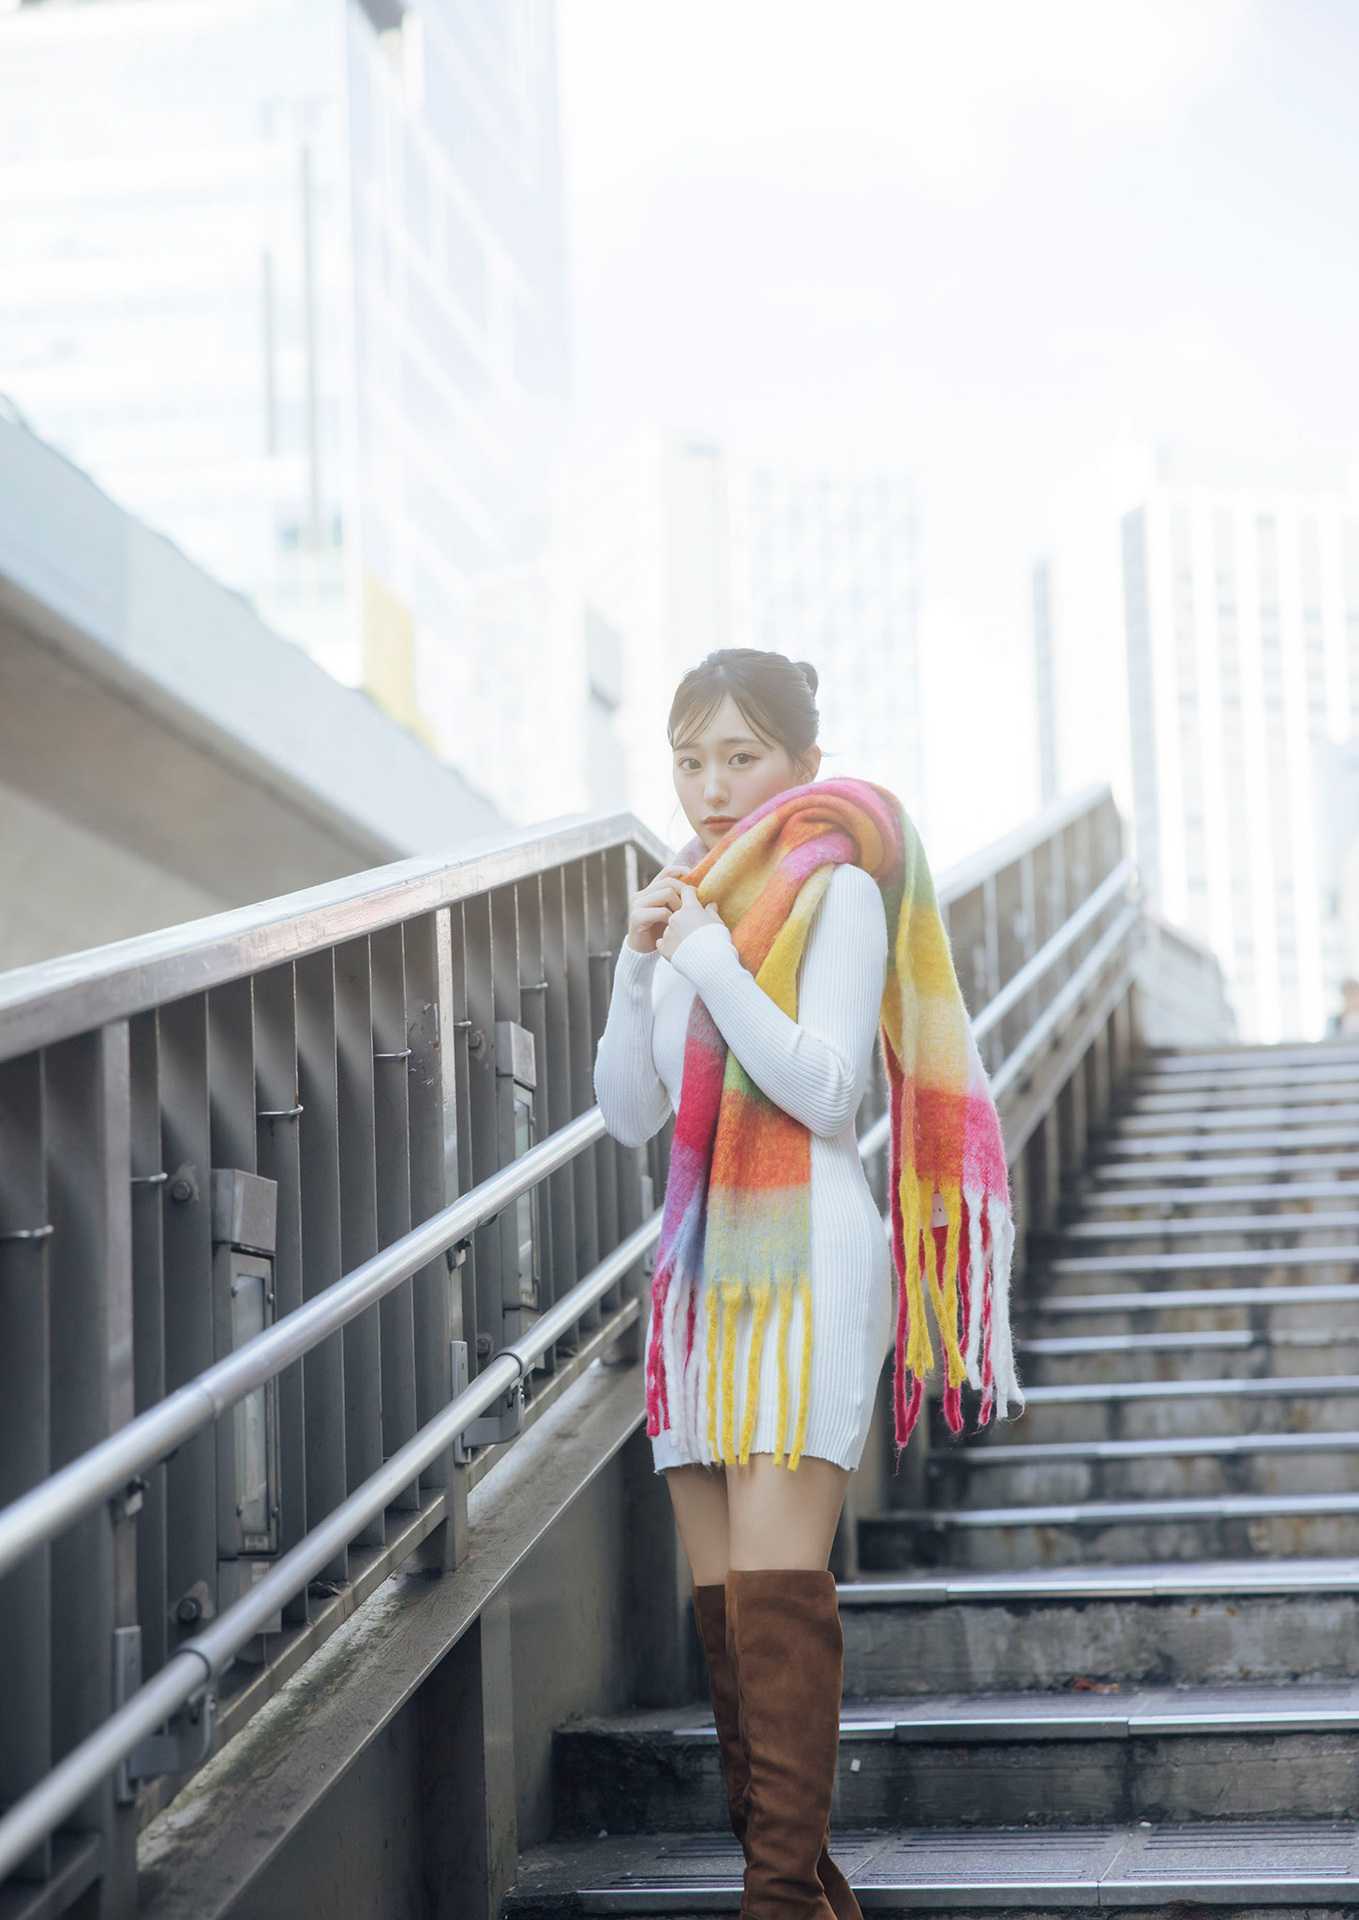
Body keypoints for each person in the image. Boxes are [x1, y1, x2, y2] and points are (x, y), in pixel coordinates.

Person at [592, 649, 894, 1920]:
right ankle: (797, 1894)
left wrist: (712, 961)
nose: (711, 787)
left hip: (805, 1261)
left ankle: (777, 1904)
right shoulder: (688, 911)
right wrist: (637, 965)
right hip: (699, 1278)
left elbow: (829, 1091)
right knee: (724, 1617)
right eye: (689, 759)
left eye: (740, 756)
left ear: (803, 765)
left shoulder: (837, 892)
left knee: (774, 1598)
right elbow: (628, 1113)